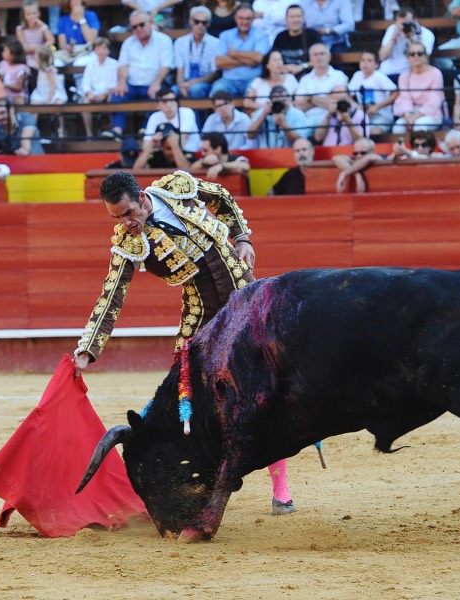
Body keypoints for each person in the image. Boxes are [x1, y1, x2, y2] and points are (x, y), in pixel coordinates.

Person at [73, 170, 296, 517]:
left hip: (248, 297)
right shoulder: (129, 242)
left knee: (268, 391)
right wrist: (89, 347)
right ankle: (179, 484)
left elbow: (220, 196)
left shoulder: (176, 188)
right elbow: (112, 293)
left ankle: (281, 489)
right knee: (187, 399)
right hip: (203, 315)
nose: (125, 223)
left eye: (128, 213)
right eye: (116, 217)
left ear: (142, 199)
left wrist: (243, 239)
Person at [106, 10, 174, 138]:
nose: (138, 29)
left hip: (154, 83)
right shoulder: (128, 43)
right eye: (134, 27)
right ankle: (117, 130)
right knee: (118, 93)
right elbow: (123, 65)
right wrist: (121, 82)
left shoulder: (164, 40)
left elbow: (166, 66)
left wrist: (157, 82)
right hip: (132, 84)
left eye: (141, 25)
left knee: (159, 94)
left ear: (149, 23)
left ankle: (147, 129)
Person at [210, 4, 271, 98]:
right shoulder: (225, 35)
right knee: (217, 92)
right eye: (241, 18)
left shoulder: (262, 35)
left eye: (248, 18)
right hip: (228, 81)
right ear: (235, 18)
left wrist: (234, 54)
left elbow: (259, 58)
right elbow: (219, 62)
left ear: (253, 18)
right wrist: (249, 60)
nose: (244, 22)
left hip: (253, 80)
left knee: (255, 95)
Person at [391, 42, 444, 135]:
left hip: (431, 114)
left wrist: (416, 117)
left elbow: (435, 99)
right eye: (412, 54)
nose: (416, 56)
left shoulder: (435, 73)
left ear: (425, 56)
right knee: (397, 128)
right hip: (410, 113)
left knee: (419, 125)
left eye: (419, 53)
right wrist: (408, 115)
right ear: (408, 58)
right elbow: (404, 98)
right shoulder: (404, 76)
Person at [173, 6, 221, 100]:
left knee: (196, 89)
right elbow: (180, 70)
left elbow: (214, 73)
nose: (200, 25)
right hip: (185, 81)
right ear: (190, 21)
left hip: (205, 82)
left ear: (208, 24)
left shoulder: (216, 43)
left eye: (204, 22)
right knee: (171, 92)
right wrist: (181, 85)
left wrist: (192, 83)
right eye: (197, 21)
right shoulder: (180, 42)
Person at [377, 9, 435, 82]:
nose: (403, 26)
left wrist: (410, 38)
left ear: (415, 21)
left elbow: (422, 59)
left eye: (406, 22)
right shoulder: (392, 29)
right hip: (388, 73)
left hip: (410, 74)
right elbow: (382, 56)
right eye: (400, 22)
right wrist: (393, 38)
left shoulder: (426, 34)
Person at [347, 50, 397, 135]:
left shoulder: (379, 76)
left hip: (382, 116)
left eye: (369, 60)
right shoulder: (357, 75)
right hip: (363, 116)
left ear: (376, 65)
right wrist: (357, 106)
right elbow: (349, 95)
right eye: (362, 60)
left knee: (373, 132)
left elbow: (395, 93)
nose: (365, 63)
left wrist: (377, 107)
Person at [247, 84, 311, 148]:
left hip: (290, 154)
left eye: (283, 100)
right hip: (266, 154)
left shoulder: (298, 114)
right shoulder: (263, 112)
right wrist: (264, 115)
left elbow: (301, 142)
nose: (281, 104)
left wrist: (284, 124)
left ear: (289, 99)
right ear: (271, 101)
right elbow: (250, 135)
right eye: (277, 101)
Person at [79, 37, 118, 139]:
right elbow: (85, 84)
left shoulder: (114, 64)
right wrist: (90, 93)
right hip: (94, 94)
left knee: (113, 98)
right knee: (85, 103)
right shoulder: (90, 65)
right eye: (98, 48)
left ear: (108, 50)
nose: (101, 51)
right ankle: (89, 134)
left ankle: (112, 131)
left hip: (109, 93)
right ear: (95, 50)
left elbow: (115, 83)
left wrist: (105, 94)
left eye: (104, 48)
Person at [141, 88, 200, 154]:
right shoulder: (154, 117)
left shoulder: (187, 113)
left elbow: (181, 143)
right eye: (164, 102)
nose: (169, 105)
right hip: (164, 155)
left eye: (172, 101)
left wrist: (158, 143)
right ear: (157, 105)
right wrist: (153, 142)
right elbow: (145, 147)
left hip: (188, 153)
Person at [271, 4, 320, 76]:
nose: (295, 20)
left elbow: (321, 58)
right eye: (292, 17)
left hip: (310, 77)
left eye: (298, 16)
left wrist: (301, 67)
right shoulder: (280, 37)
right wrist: (283, 67)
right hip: (285, 76)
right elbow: (273, 58)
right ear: (286, 20)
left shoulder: (313, 35)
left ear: (303, 18)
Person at [55, 0, 99, 68]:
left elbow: (91, 40)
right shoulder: (62, 20)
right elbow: (62, 45)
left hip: (88, 52)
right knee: (56, 63)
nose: (76, 1)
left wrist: (81, 19)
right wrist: (68, 48)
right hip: (70, 53)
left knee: (79, 63)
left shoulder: (91, 16)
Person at [16, 0, 55, 69]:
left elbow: (51, 40)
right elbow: (25, 48)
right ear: (24, 15)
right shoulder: (20, 29)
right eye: (28, 14)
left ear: (38, 13)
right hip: (26, 57)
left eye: (34, 13)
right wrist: (40, 48)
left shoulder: (42, 27)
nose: (31, 16)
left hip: (42, 56)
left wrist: (43, 26)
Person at [0, 40, 30, 106]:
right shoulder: (3, 64)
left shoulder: (22, 68)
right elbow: (0, 81)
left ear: (13, 53)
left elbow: (19, 88)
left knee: (18, 99)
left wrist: (6, 85)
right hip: (5, 94)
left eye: (5, 51)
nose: (2, 53)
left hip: (18, 95)